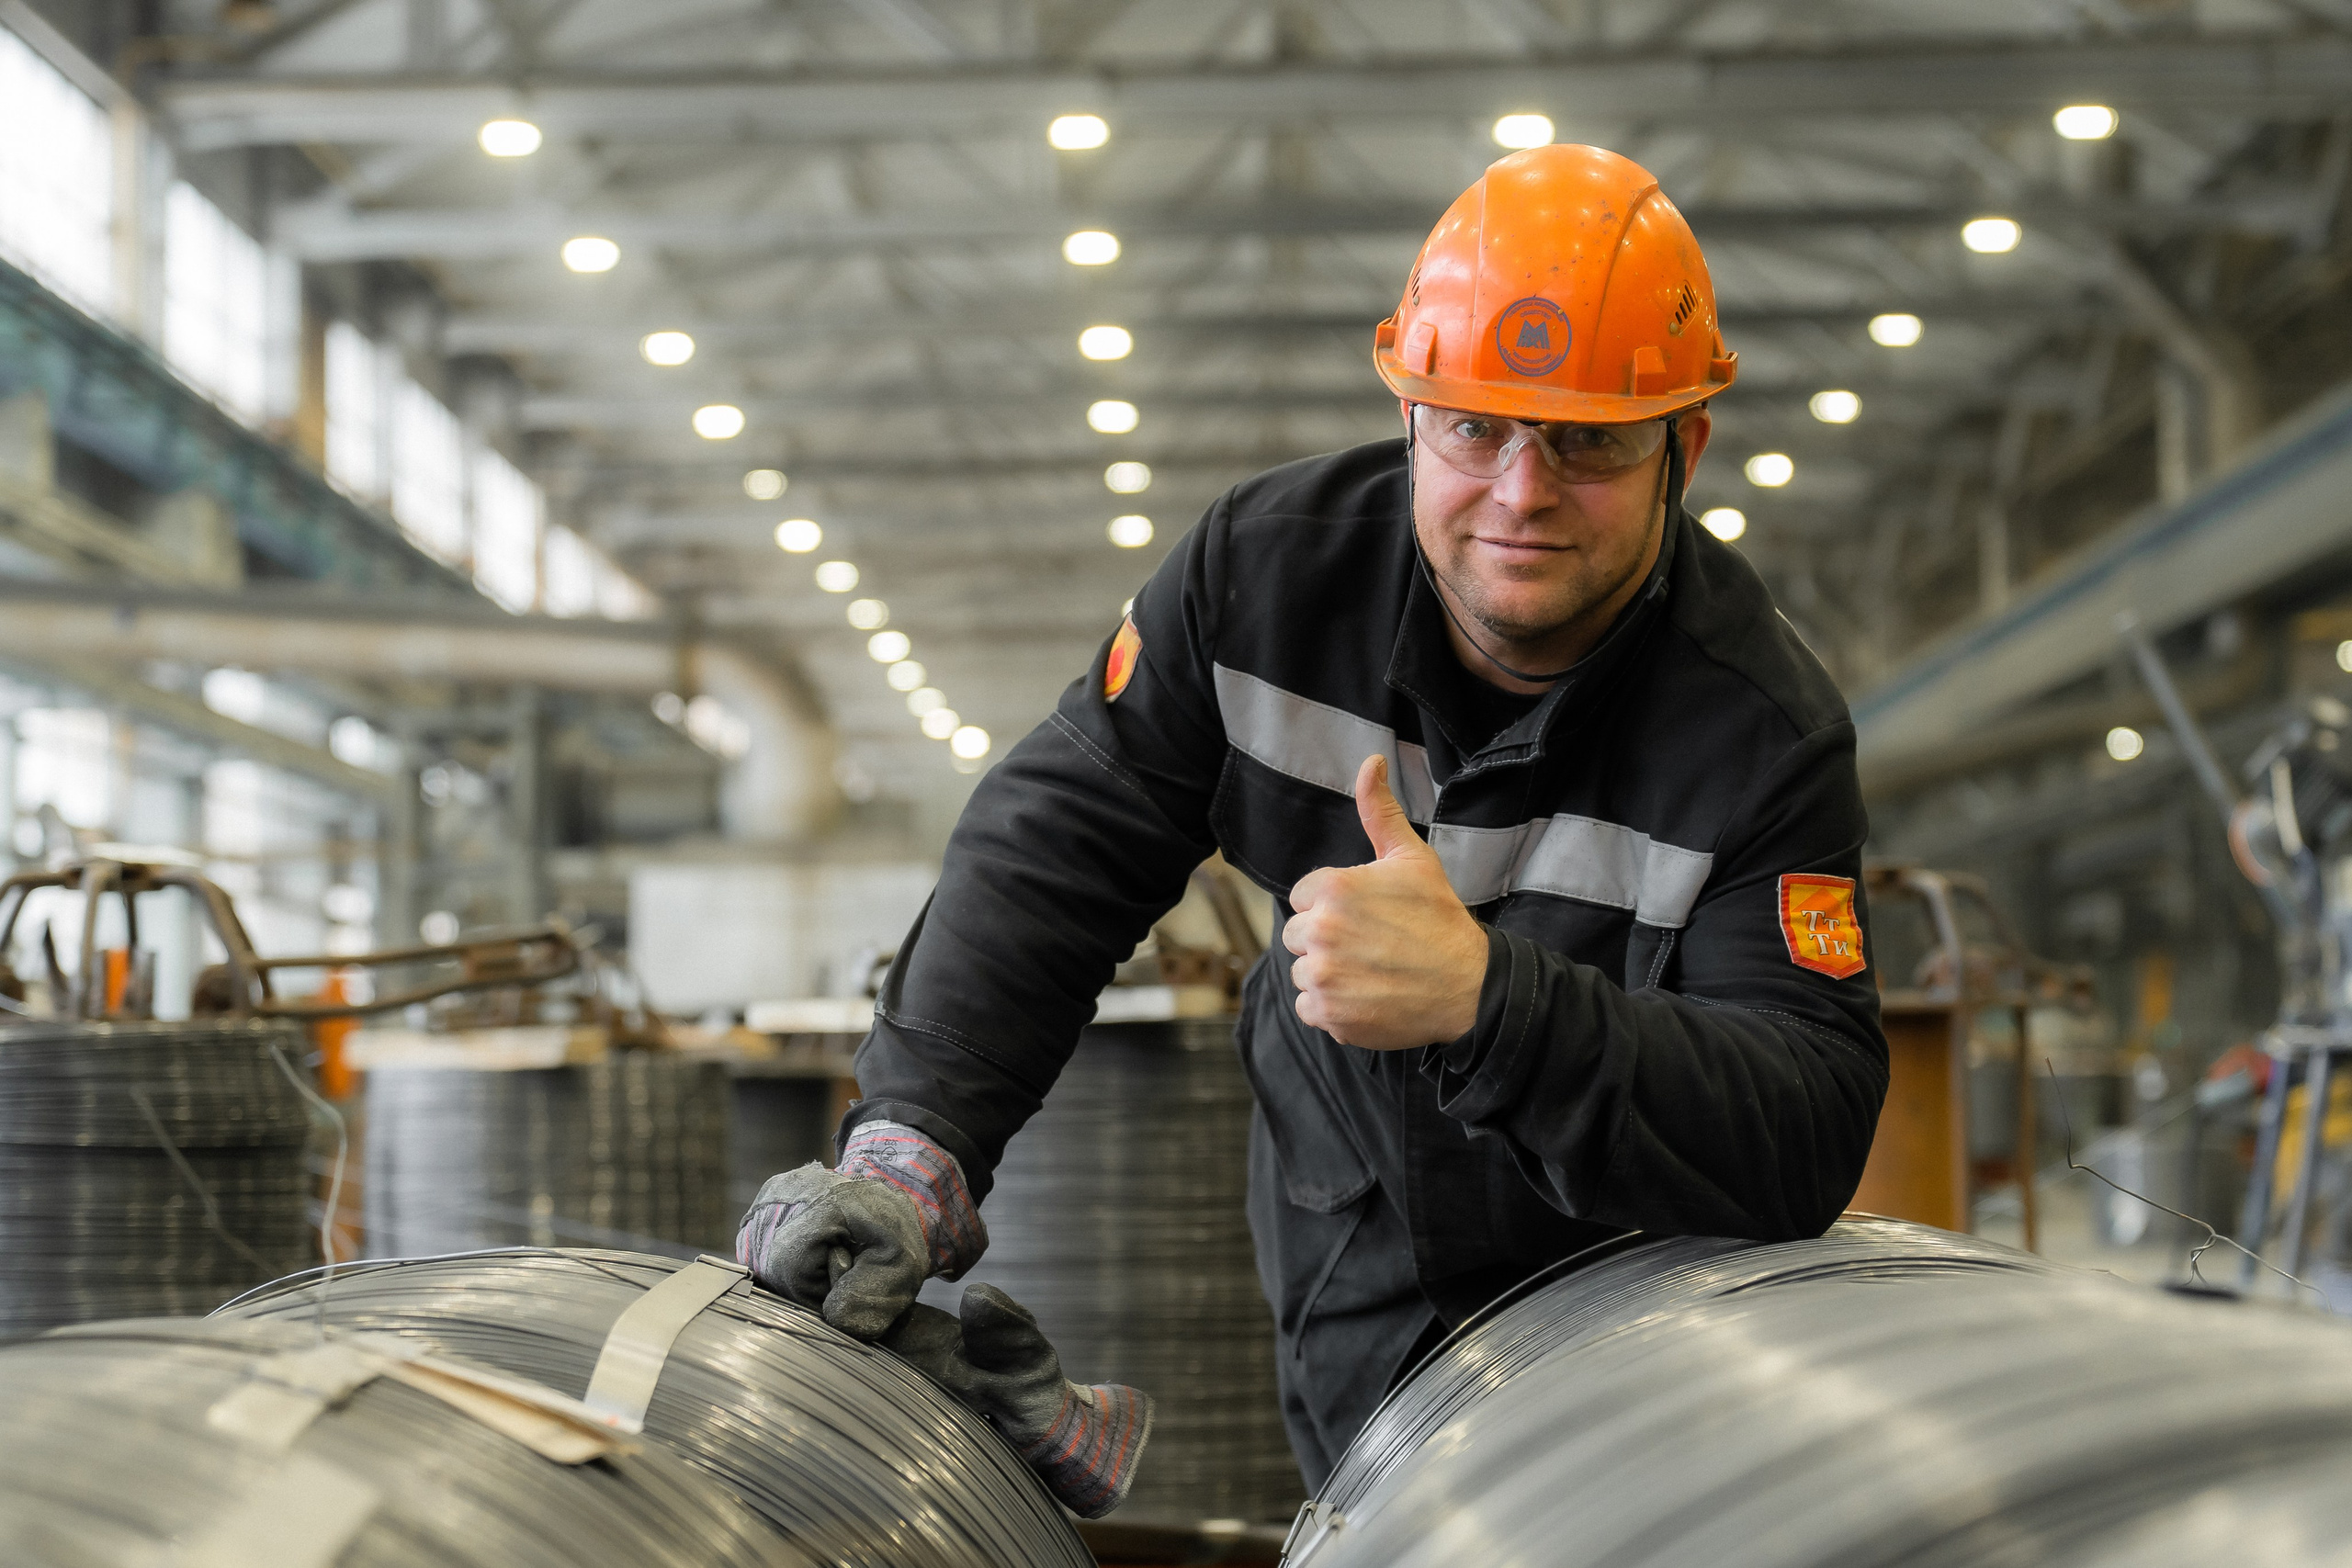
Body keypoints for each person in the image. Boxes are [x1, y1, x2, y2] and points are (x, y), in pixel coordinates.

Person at [738, 143, 1889, 1495]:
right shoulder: (1262, 583)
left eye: (1588, 440)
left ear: (1681, 449)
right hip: (1354, 1232)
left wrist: (1493, 1006)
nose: (1522, 492)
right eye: (1474, 429)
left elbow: (1806, 1121)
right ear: (1410, 415)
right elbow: (1055, 851)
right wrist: (912, 1146)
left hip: (1635, 1290)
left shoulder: (1758, 732)